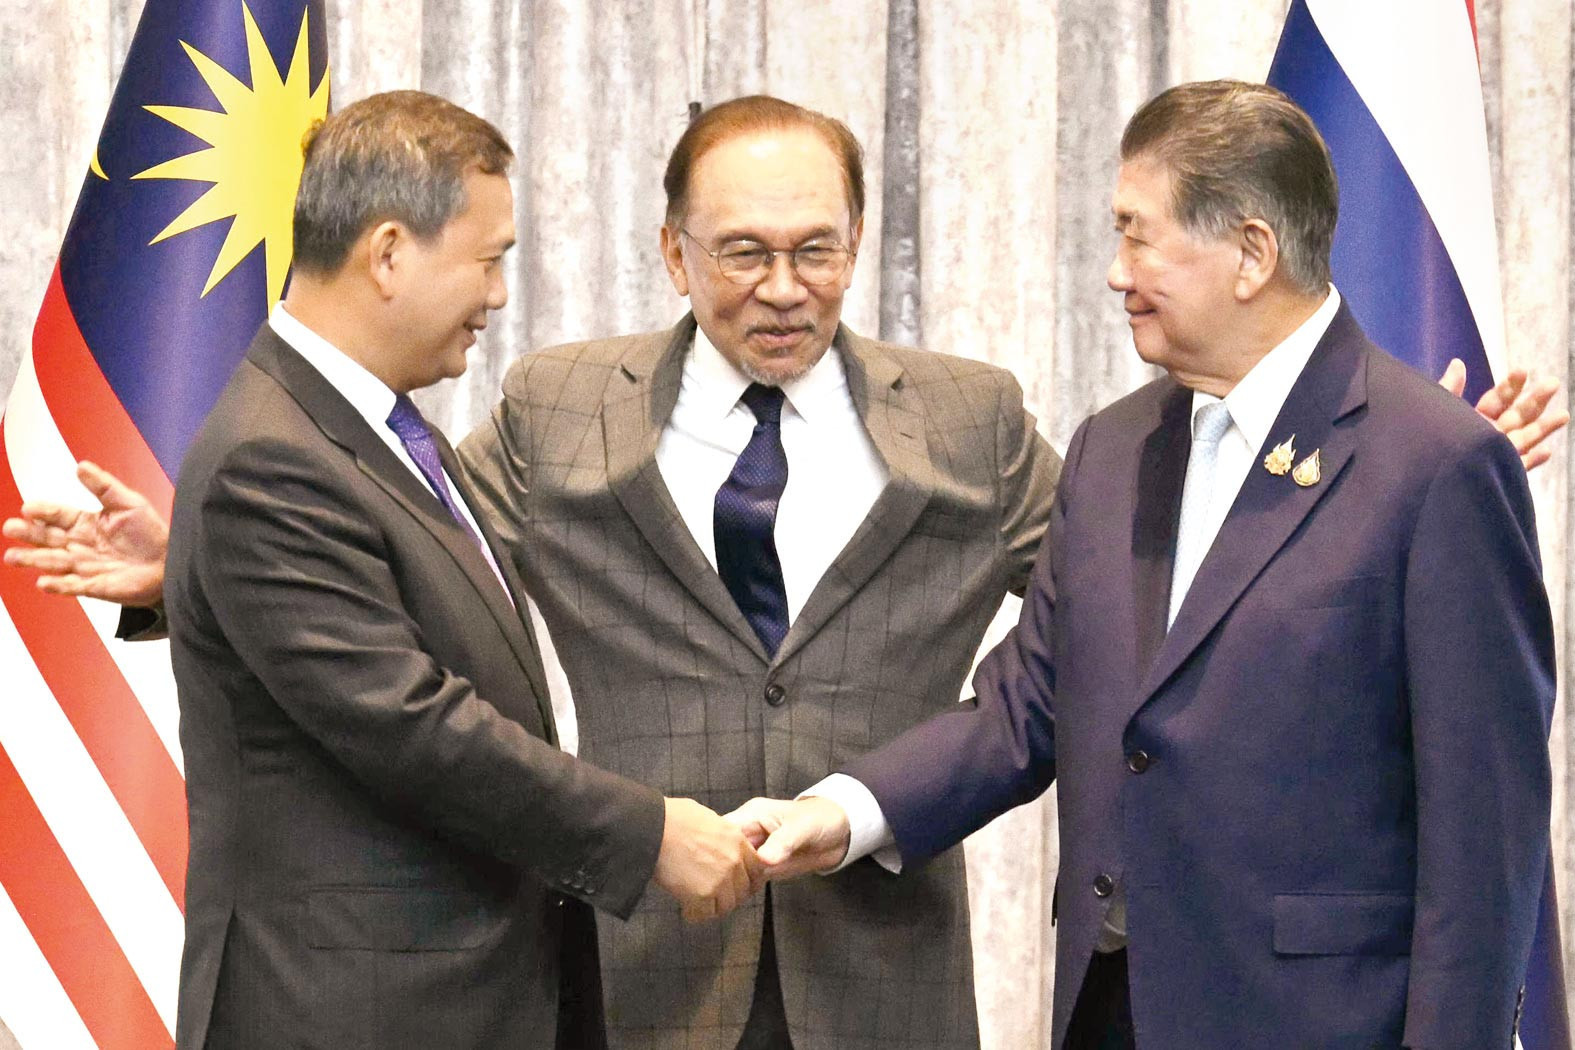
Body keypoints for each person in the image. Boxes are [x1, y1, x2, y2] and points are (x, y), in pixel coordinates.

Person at [3, 90, 1566, 1050]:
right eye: (742, 251)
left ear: (858, 244)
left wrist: (1379, 477)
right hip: (637, 972)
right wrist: (184, 566)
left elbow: (1112, 635)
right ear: (673, 254)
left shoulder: (979, 422)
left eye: (815, 248)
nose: (781, 285)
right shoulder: (559, 404)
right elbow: (416, 556)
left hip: (882, 975)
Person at [732, 80, 1557, 1050]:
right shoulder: (1113, 448)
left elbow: (1484, 836)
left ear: (1251, 252)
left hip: (1315, 1022)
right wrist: (844, 812)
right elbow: (1025, 704)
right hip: (1112, 1009)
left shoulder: (1434, 464)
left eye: (1138, 235)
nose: (1116, 273)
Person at [145, 91, 759, 1050]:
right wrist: (649, 836)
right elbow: (412, 725)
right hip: (348, 1015)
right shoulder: (273, 458)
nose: (500, 295)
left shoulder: (378, 430)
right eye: (488, 260)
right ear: (389, 253)